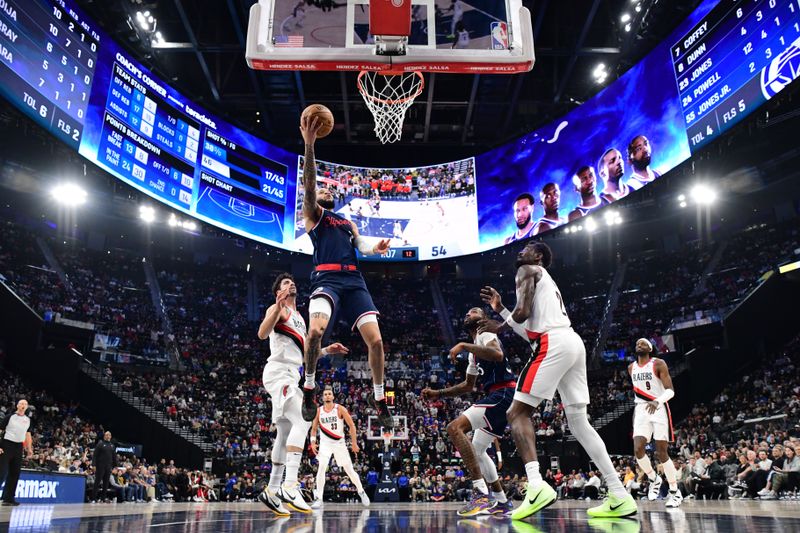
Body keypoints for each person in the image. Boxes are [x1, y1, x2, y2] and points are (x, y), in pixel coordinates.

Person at [480, 242, 637, 520]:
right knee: (579, 423)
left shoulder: (527, 269)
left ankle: (537, 485)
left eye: (529, 248)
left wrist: (498, 325)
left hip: (552, 343)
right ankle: (619, 494)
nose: (522, 251)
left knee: (516, 412)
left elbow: (524, 313)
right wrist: (501, 309)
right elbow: (527, 328)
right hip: (571, 343)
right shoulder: (543, 280)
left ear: (538, 256)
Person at [298, 115, 394, 430]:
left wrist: (374, 247)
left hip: (354, 280)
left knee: (377, 342)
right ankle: (309, 386)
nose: (323, 190)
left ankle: (378, 397)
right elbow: (310, 184)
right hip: (326, 279)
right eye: (320, 189)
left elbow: (361, 243)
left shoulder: (346, 220)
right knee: (314, 333)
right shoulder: (314, 214)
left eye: (327, 189)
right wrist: (310, 146)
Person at [256, 272, 349, 515]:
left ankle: (272, 491)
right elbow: (262, 333)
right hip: (279, 373)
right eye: (286, 283)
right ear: (279, 291)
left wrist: (327, 350)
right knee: (304, 418)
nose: (291, 283)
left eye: (292, 281)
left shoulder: (299, 317)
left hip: (290, 375)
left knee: (285, 432)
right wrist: (276, 308)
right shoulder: (279, 310)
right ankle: (289, 485)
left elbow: (308, 353)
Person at [421, 307, 515, 517]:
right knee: (478, 450)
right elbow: (467, 386)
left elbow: (498, 355)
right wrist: (439, 393)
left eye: (473, 311)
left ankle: (480, 493)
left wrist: (463, 345)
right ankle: (501, 501)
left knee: (454, 428)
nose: (468, 313)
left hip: (503, 393)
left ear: (483, 318)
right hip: (501, 395)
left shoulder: (485, 333)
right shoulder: (474, 353)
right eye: (466, 312)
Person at [628, 338, 682, 507]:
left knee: (661, 452)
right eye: (637, 343)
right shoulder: (631, 368)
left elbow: (671, 391)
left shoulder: (658, 364)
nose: (639, 345)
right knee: (637, 449)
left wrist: (657, 401)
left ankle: (675, 492)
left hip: (658, 408)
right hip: (641, 409)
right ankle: (654, 479)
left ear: (650, 348)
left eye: (643, 343)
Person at [309, 388, 370, 508]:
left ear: (333, 397)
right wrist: (313, 442)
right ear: (322, 397)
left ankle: (361, 491)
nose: (327, 396)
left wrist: (354, 443)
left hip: (339, 443)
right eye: (325, 394)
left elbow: (352, 425)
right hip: (325, 444)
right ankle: (319, 499)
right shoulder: (318, 411)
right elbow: (314, 429)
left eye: (329, 394)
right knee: (321, 468)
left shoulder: (340, 409)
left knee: (349, 470)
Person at [0, 399, 34, 506]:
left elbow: (28, 435)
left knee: (15, 473)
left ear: (27, 407)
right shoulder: (9, 417)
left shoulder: (28, 420)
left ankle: (8, 498)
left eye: (25, 404)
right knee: (2, 472)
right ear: (17, 405)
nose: (23, 405)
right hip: (6, 445)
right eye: (21, 403)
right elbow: (0, 430)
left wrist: (29, 449)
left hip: (19, 446)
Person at [92, 431, 117, 503]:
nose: (108, 436)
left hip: (108, 467)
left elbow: (114, 457)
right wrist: (93, 465)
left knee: (106, 483)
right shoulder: (100, 444)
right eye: (106, 435)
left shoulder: (112, 446)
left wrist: (116, 466)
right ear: (104, 436)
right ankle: (94, 498)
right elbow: (95, 455)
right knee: (97, 482)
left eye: (109, 435)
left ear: (111, 436)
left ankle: (103, 498)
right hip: (100, 466)